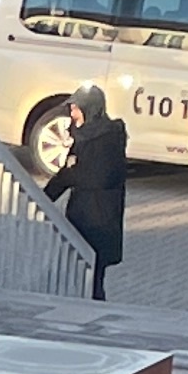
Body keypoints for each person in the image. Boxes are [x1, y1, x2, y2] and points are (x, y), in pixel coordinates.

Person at [49, 84, 127, 300]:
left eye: (75, 109)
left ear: (89, 109)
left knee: (93, 278)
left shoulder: (107, 138)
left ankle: (93, 315)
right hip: (82, 217)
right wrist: (45, 197)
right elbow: (68, 172)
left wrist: (73, 173)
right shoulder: (83, 136)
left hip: (99, 219)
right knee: (81, 273)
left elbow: (99, 176)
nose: (72, 114)